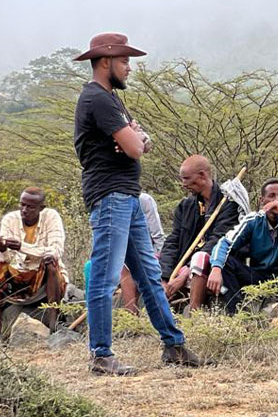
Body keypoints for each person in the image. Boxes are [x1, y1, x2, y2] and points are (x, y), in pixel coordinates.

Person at [73, 32, 205, 375]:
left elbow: (139, 140)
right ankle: (101, 354)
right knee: (104, 275)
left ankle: (174, 345)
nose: (129, 68)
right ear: (105, 61)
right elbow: (134, 147)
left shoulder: (112, 99)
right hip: (110, 196)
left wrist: (136, 137)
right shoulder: (97, 99)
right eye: (125, 61)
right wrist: (134, 139)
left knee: (148, 273)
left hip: (127, 198)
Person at [207, 178, 278, 314]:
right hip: (258, 277)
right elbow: (225, 242)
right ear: (262, 200)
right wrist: (216, 268)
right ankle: (237, 313)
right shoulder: (253, 220)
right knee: (226, 262)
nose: (277, 200)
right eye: (271, 196)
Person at [159, 155, 240, 310]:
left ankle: (194, 313)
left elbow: (218, 240)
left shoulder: (228, 203)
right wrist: (165, 277)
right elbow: (173, 240)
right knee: (149, 260)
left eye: (187, 178)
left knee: (200, 258)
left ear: (202, 175)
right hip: (183, 263)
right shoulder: (186, 206)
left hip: (216, 262)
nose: (183, 184)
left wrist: (185, 273)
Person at [0, 188, 67, 332]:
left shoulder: (51, 217)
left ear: (41, 208)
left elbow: (56, 250)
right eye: (22, 205)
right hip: (18, 275)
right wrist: (3, 249)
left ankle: (53, 317)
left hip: (43, 276)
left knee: (50, 261)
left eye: (30, 207)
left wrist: (22, 246)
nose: (24, 210)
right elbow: (7, 259)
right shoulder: (10, 219)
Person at [118, 192, 165, 314]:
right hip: (122, 254)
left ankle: (131, 314)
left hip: (148, 253)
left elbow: (158, 236)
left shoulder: (144, 200)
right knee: (91, 266)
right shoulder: (111, 203)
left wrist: (160, 259)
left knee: (126, 266)